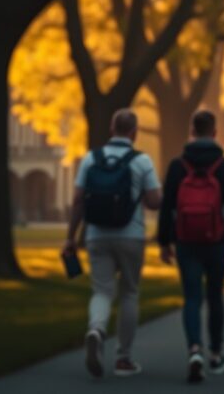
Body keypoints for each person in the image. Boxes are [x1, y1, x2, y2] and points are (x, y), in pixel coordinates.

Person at [63, 109, 162, 378]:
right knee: (129, 293)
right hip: (131, 235)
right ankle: (123, 359)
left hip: (96, 235)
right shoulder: (142, 160)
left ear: (111, 128)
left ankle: (96, 329)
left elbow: (78, 200)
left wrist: (71, 237)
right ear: (135, 132)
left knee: (102, 291)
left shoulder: (90, 159)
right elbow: (154, 201)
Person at [158, 110, 224, 383]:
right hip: (218, 241)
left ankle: (194, 349)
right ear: (215, 132)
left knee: (192, 297)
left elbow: (167, 205)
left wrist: (164, 241)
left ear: (192, 132)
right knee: (215, 296)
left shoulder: (177, 166)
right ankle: (216, 354)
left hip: (186, 241)